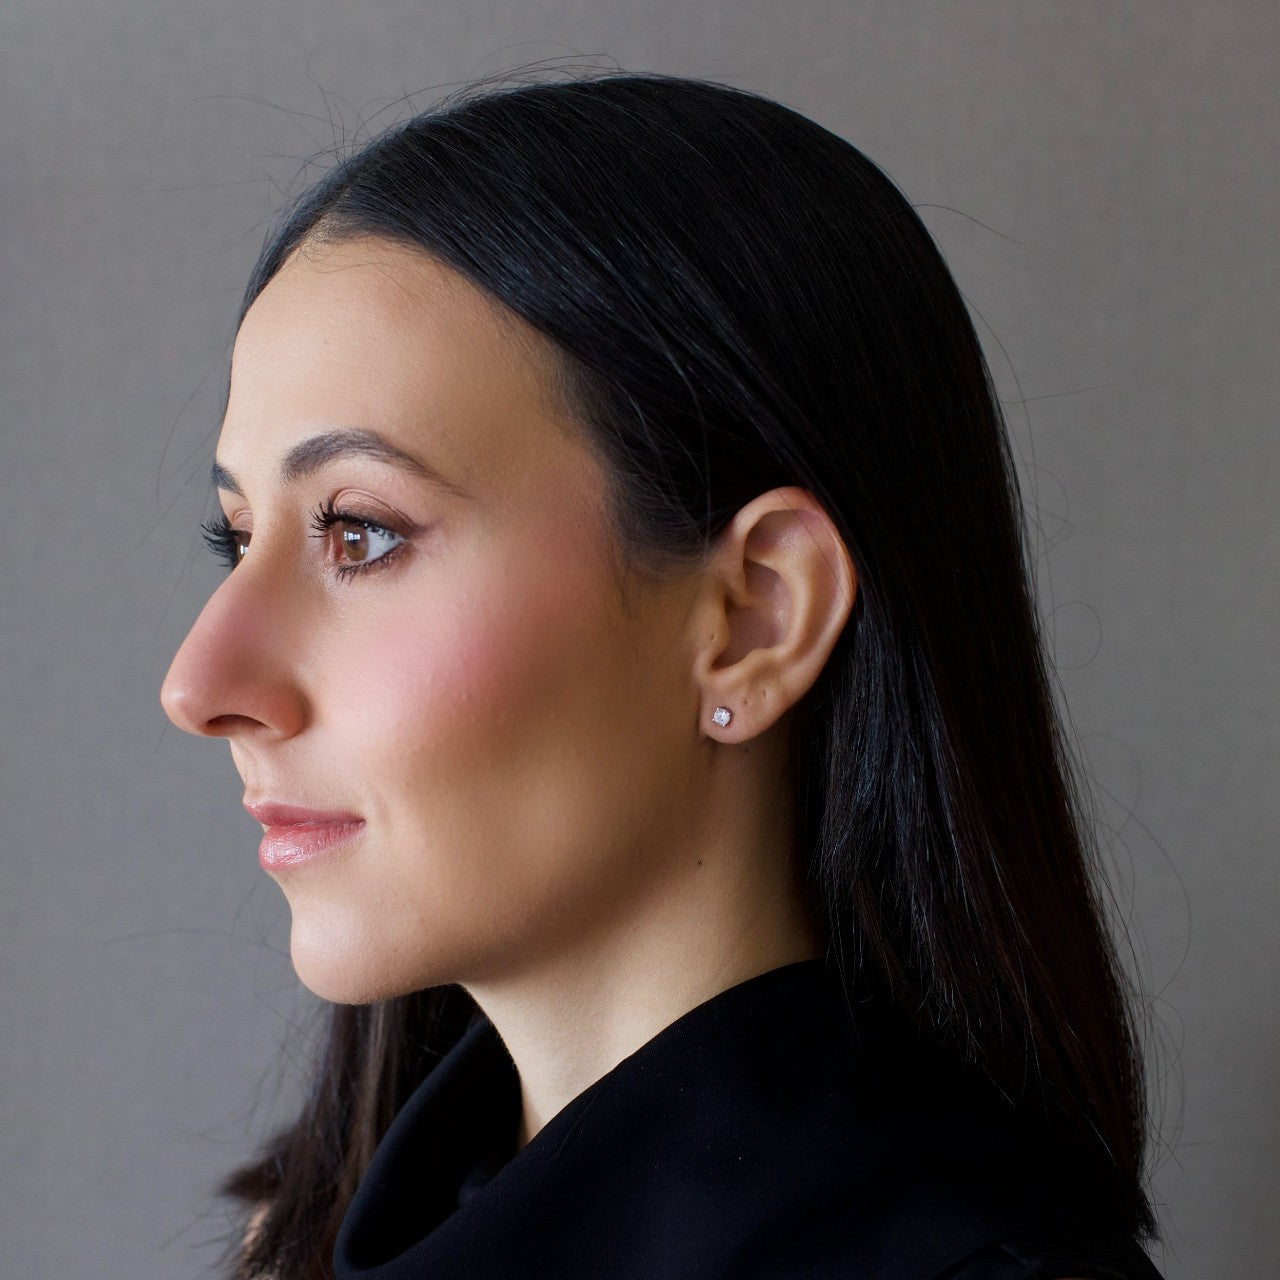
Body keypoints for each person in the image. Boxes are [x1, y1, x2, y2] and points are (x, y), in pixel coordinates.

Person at [159, 69, 1167, 1280]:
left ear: (754, 614)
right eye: (236, 538)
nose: (198, 681)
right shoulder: (319, 1237)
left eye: (360, 531)